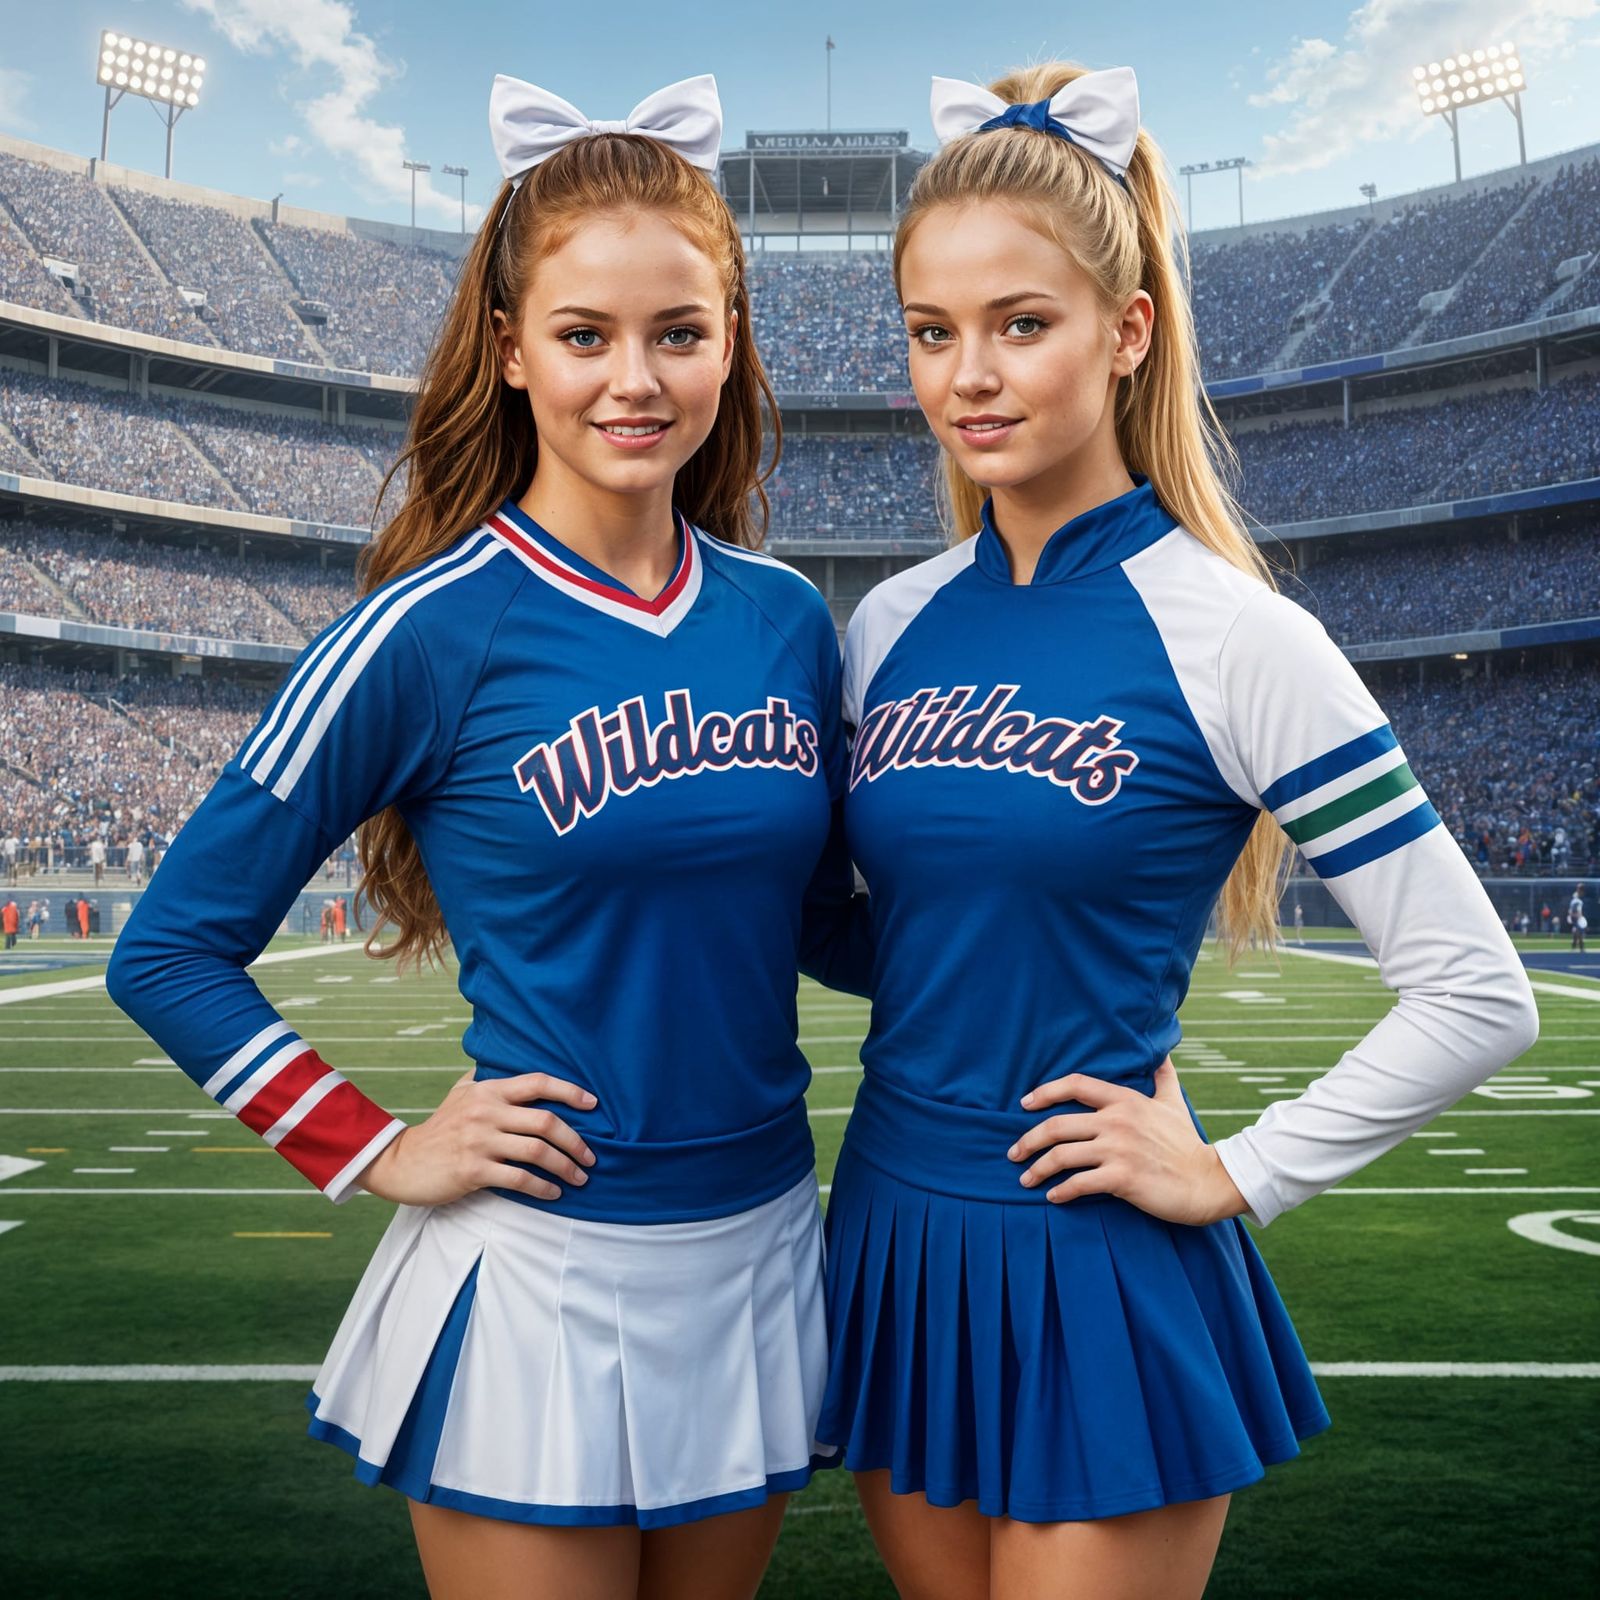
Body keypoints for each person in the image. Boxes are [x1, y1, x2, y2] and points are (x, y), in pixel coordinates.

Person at [106, 73, 871, 1600]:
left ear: (731, 344)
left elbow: (818, 920)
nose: (634, 379)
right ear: (512, 351)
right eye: (585, 335)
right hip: (544, 1269)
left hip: (762, 1240)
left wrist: (1068, 969)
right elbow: (169, 951)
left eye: (680, 332)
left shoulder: (787, 621)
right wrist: (378, 1146)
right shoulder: (424, 631)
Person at [815, 61, 1540, 1599]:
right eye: (934, 332)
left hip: (1096, 1248)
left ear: (1126, 329)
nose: (972, 376)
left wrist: (1241, 1172)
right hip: (892, 1225)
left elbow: (1479, 990)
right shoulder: (885, 627)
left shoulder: (1233, 635)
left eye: (1024, 323)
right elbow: (909, 941)